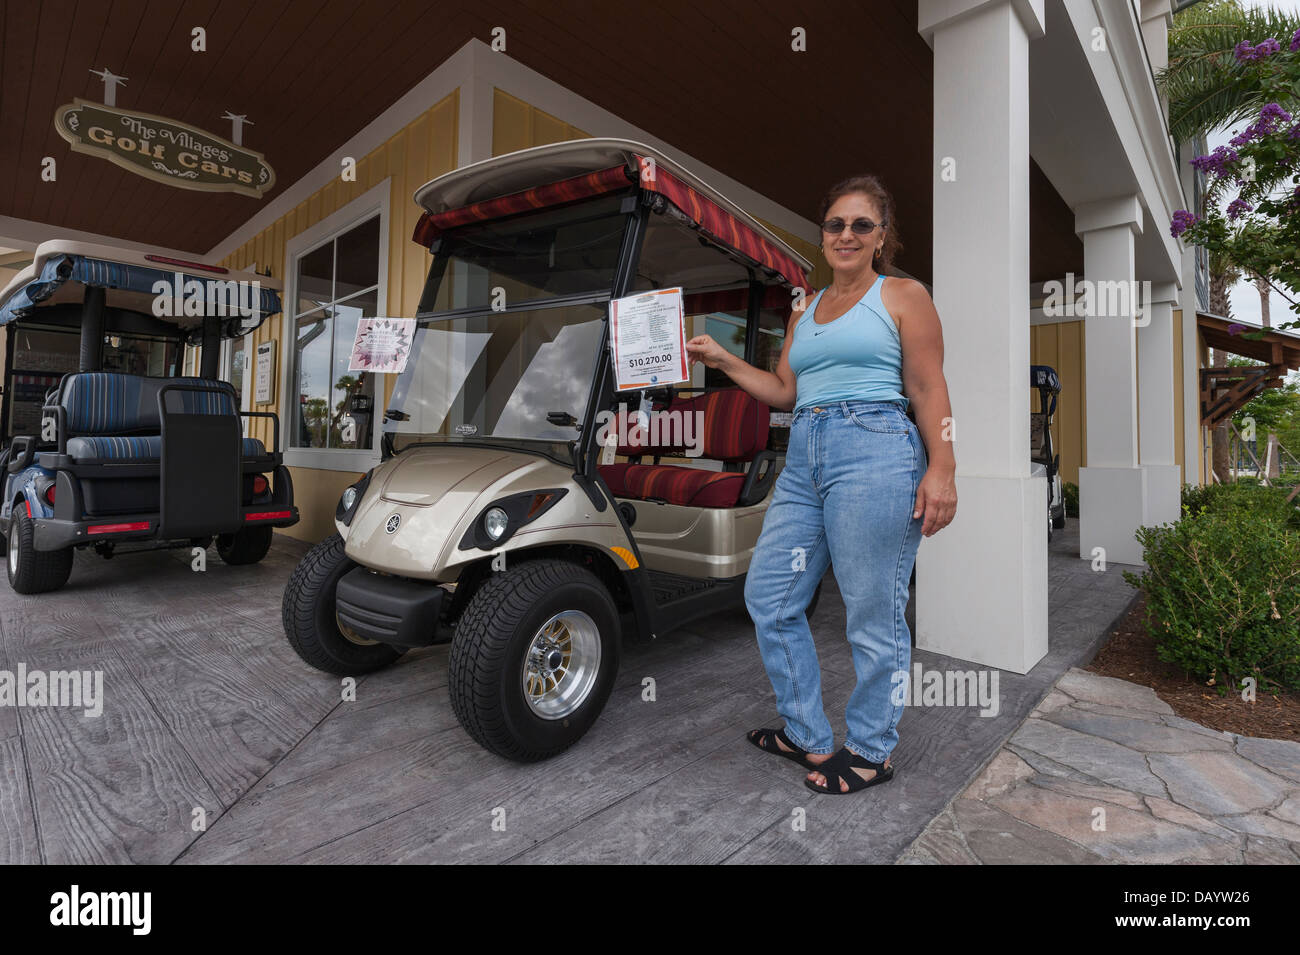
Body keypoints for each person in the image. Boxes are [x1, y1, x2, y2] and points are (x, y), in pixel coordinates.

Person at [685, 175, 957, 795]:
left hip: (876, 449)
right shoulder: (804, 308)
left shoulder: (904, 294)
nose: (847, 235)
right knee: (771, 596)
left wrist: (942, 467)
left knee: (871, 611)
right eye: (836, 224)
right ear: (824, 233)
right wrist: (725, 361)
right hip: (804, 454)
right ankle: (805, 732)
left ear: (881, 235)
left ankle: (869, 750)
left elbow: (928, 387)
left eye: (862, 225)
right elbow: (786, 391)